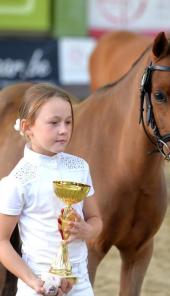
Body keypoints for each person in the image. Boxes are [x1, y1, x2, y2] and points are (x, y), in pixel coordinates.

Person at [0, 83, 102, 295]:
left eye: (68, 122)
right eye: (54, 123)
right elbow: (2, 242)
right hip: (37, 287)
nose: (63, 130)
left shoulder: (80, 167)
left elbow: (96, 220)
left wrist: (88, 230)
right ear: (28, 127)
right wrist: (33, 281)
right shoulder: (17, 180)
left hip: (80, 284)